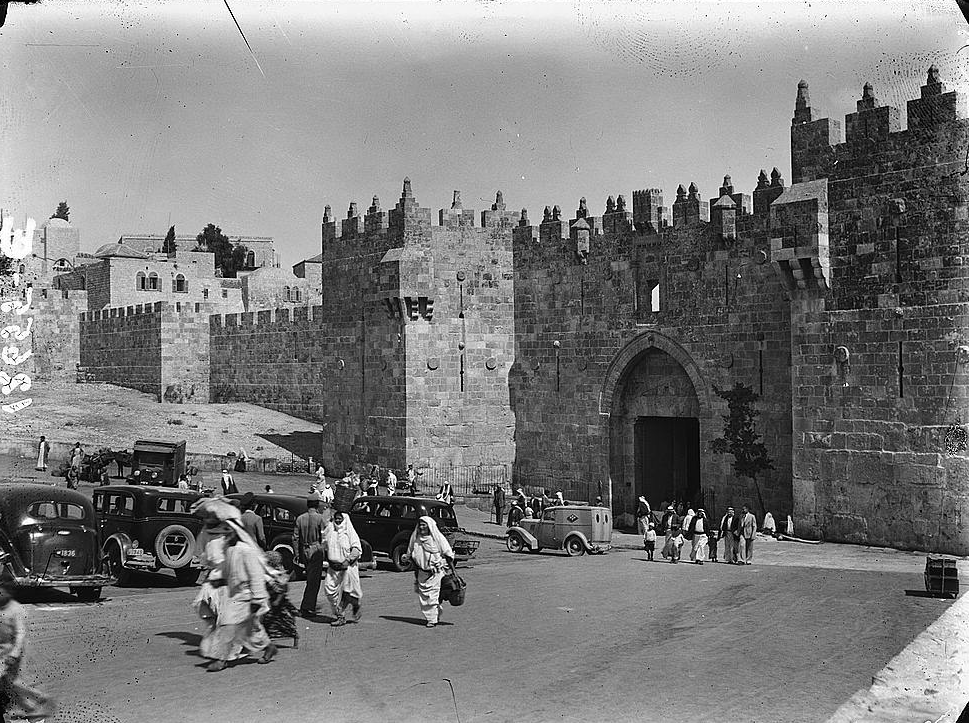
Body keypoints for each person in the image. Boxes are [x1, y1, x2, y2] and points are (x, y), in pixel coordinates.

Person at [205, 519, 276, 672]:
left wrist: (257, 599)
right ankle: (269, 646)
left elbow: (256, 575)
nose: (226, 536)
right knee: (249, 627)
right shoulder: (229, 549)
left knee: (226, 624)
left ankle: (221, 660)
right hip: (232, 593)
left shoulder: (246, 550)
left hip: (246, 594)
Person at [0, 582, 54, 722]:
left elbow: (20, 633)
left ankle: (37, 706)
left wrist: (14, 653)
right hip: (2, 653)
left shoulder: (16, 609)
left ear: (8, 593)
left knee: (16, 684)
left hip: (14, 654)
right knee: (7, 686)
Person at [405, 516, 454, 628]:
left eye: (424, 525)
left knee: (433, 596)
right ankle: (434, 614)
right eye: (420, 525)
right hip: (422, 573)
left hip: (435, 573)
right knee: (425, 597)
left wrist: (447, 566)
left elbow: (448, 553)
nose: (422, 527)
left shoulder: (437, 539)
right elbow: (410, 552)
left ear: (429, 526)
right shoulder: (416, 539)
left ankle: (432, 620)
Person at [320, 509, 363, 627]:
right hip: (333, 568)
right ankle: (354, 603)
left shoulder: (349, 532)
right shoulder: (330, 530)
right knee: (329, 590)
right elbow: (324, 542)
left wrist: (348, 560)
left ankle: (340, 615)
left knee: (346, 591)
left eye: (340, 518)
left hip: (347, 568)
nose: (338, 520)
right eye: (336, 518)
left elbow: (356, 549)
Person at [293, 498, 327, 616]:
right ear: (317, 505)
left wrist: (297, 553)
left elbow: (295, 537)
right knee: (314, 581)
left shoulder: (300, 518)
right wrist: (324, 550)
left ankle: (308, 605)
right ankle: (307, 607)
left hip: (304, 549)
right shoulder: (320, 518)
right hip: (315, 548)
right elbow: (324, 537)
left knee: (309, 578)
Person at [262, 550, 299, 649]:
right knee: (268, 622)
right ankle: (267, 642)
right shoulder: (269, 572)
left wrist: (278, 600)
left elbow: (283, 589)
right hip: (271, 601)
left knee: (285, 622)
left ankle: (295, 639)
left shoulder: (278, 573)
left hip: (278, 601)